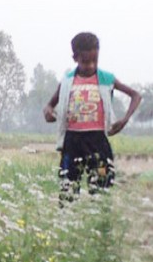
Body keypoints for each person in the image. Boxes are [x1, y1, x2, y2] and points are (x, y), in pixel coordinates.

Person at [43, 32, 142, 200]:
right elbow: (49, 105)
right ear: (75, 58)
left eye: (94, 61)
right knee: (67, 188)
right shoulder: (67, 80)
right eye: (85, 61)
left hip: (97, 141)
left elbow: (135, 95)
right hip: (72, 141)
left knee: (101, 188)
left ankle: (101, 222)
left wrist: (124, 120)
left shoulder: (106, 79)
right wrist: (48, 112)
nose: (90, 65)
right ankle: (68, 219)